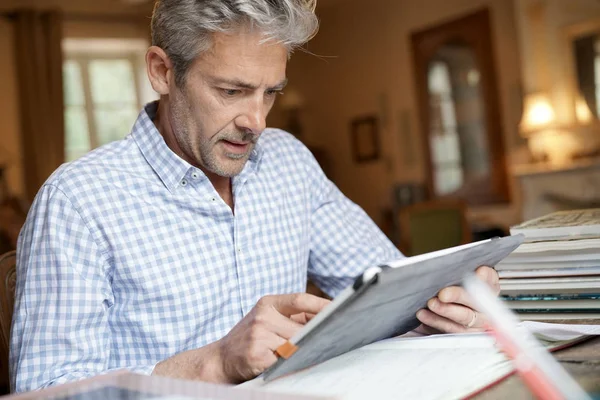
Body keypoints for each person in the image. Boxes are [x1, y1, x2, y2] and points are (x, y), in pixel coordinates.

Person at [10, 0, 500, 393]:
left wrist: (446, 301)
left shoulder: (287, 161)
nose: (257, 122)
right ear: (162, 72)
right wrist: (214, 364)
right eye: (231, 91)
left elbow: (386, 287)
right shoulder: (78, 200)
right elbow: (47, 390)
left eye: (270, 93)